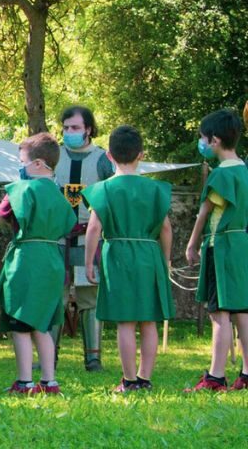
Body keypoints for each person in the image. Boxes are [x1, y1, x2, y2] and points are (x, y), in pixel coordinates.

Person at [81, 125, 174, 393]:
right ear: (141, 155)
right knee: (148, 319)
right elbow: (166, 228)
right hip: (148, 255)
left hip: (117, 255)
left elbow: (94, 229)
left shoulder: (102, 190)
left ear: (109, 156)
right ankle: (145, 379)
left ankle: (129, 380)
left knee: (126, 320)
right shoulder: (155, 190)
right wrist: (164, 260)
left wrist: (89, 262)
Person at [0, 133, 76, 395]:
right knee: (43, 322)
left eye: (22, 161)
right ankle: (50, 381)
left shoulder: (20, 190)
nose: (20, 167)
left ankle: (25, 381)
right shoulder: (62, 197)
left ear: (38, 163)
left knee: (20, 323)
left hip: (27, 259)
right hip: (52, 258)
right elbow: (69, 226)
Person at [184, 109, 248, 392]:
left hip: (219, 247)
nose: (201, 142)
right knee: (242, 310)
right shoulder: (245, 170)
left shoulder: (220, 176)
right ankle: (246, 374)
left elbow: (203, 214)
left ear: (215, 140)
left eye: (202, 138)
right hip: (242, 247)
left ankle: (215, 377)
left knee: (218, 312)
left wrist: (191, 245)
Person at [54, 105, 114, 371]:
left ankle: (93, 357)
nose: (70, 132)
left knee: (90, 297)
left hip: (90, 237)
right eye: (66, 128)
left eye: (75, 128)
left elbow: (112, 197)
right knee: (56, 297)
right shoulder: (52, 155)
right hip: (57, 238)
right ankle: (49, 355)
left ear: (88, 129)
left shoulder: (103, 160)